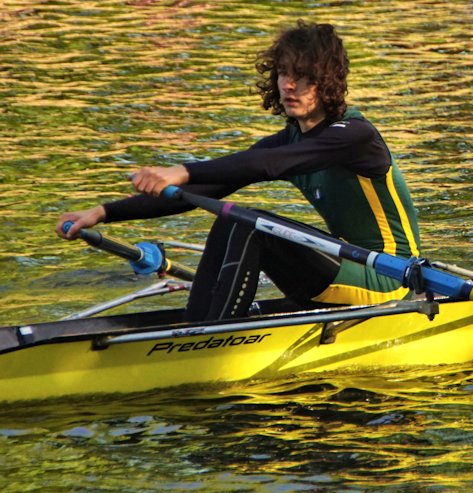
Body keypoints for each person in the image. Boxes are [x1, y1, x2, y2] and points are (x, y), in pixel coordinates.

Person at [57, 20, 422, 321]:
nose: (288, 85)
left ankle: (210, 334)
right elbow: (202, 191)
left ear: (326, 81)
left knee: (247, 224)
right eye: (282, 73)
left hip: (390, 277)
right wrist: (101, 213)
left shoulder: (355, 135)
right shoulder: (289, 141)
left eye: (302, 76)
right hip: (344, 267)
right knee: (234, 219)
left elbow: (265, 165)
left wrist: (180, 170)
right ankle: (200, 323)